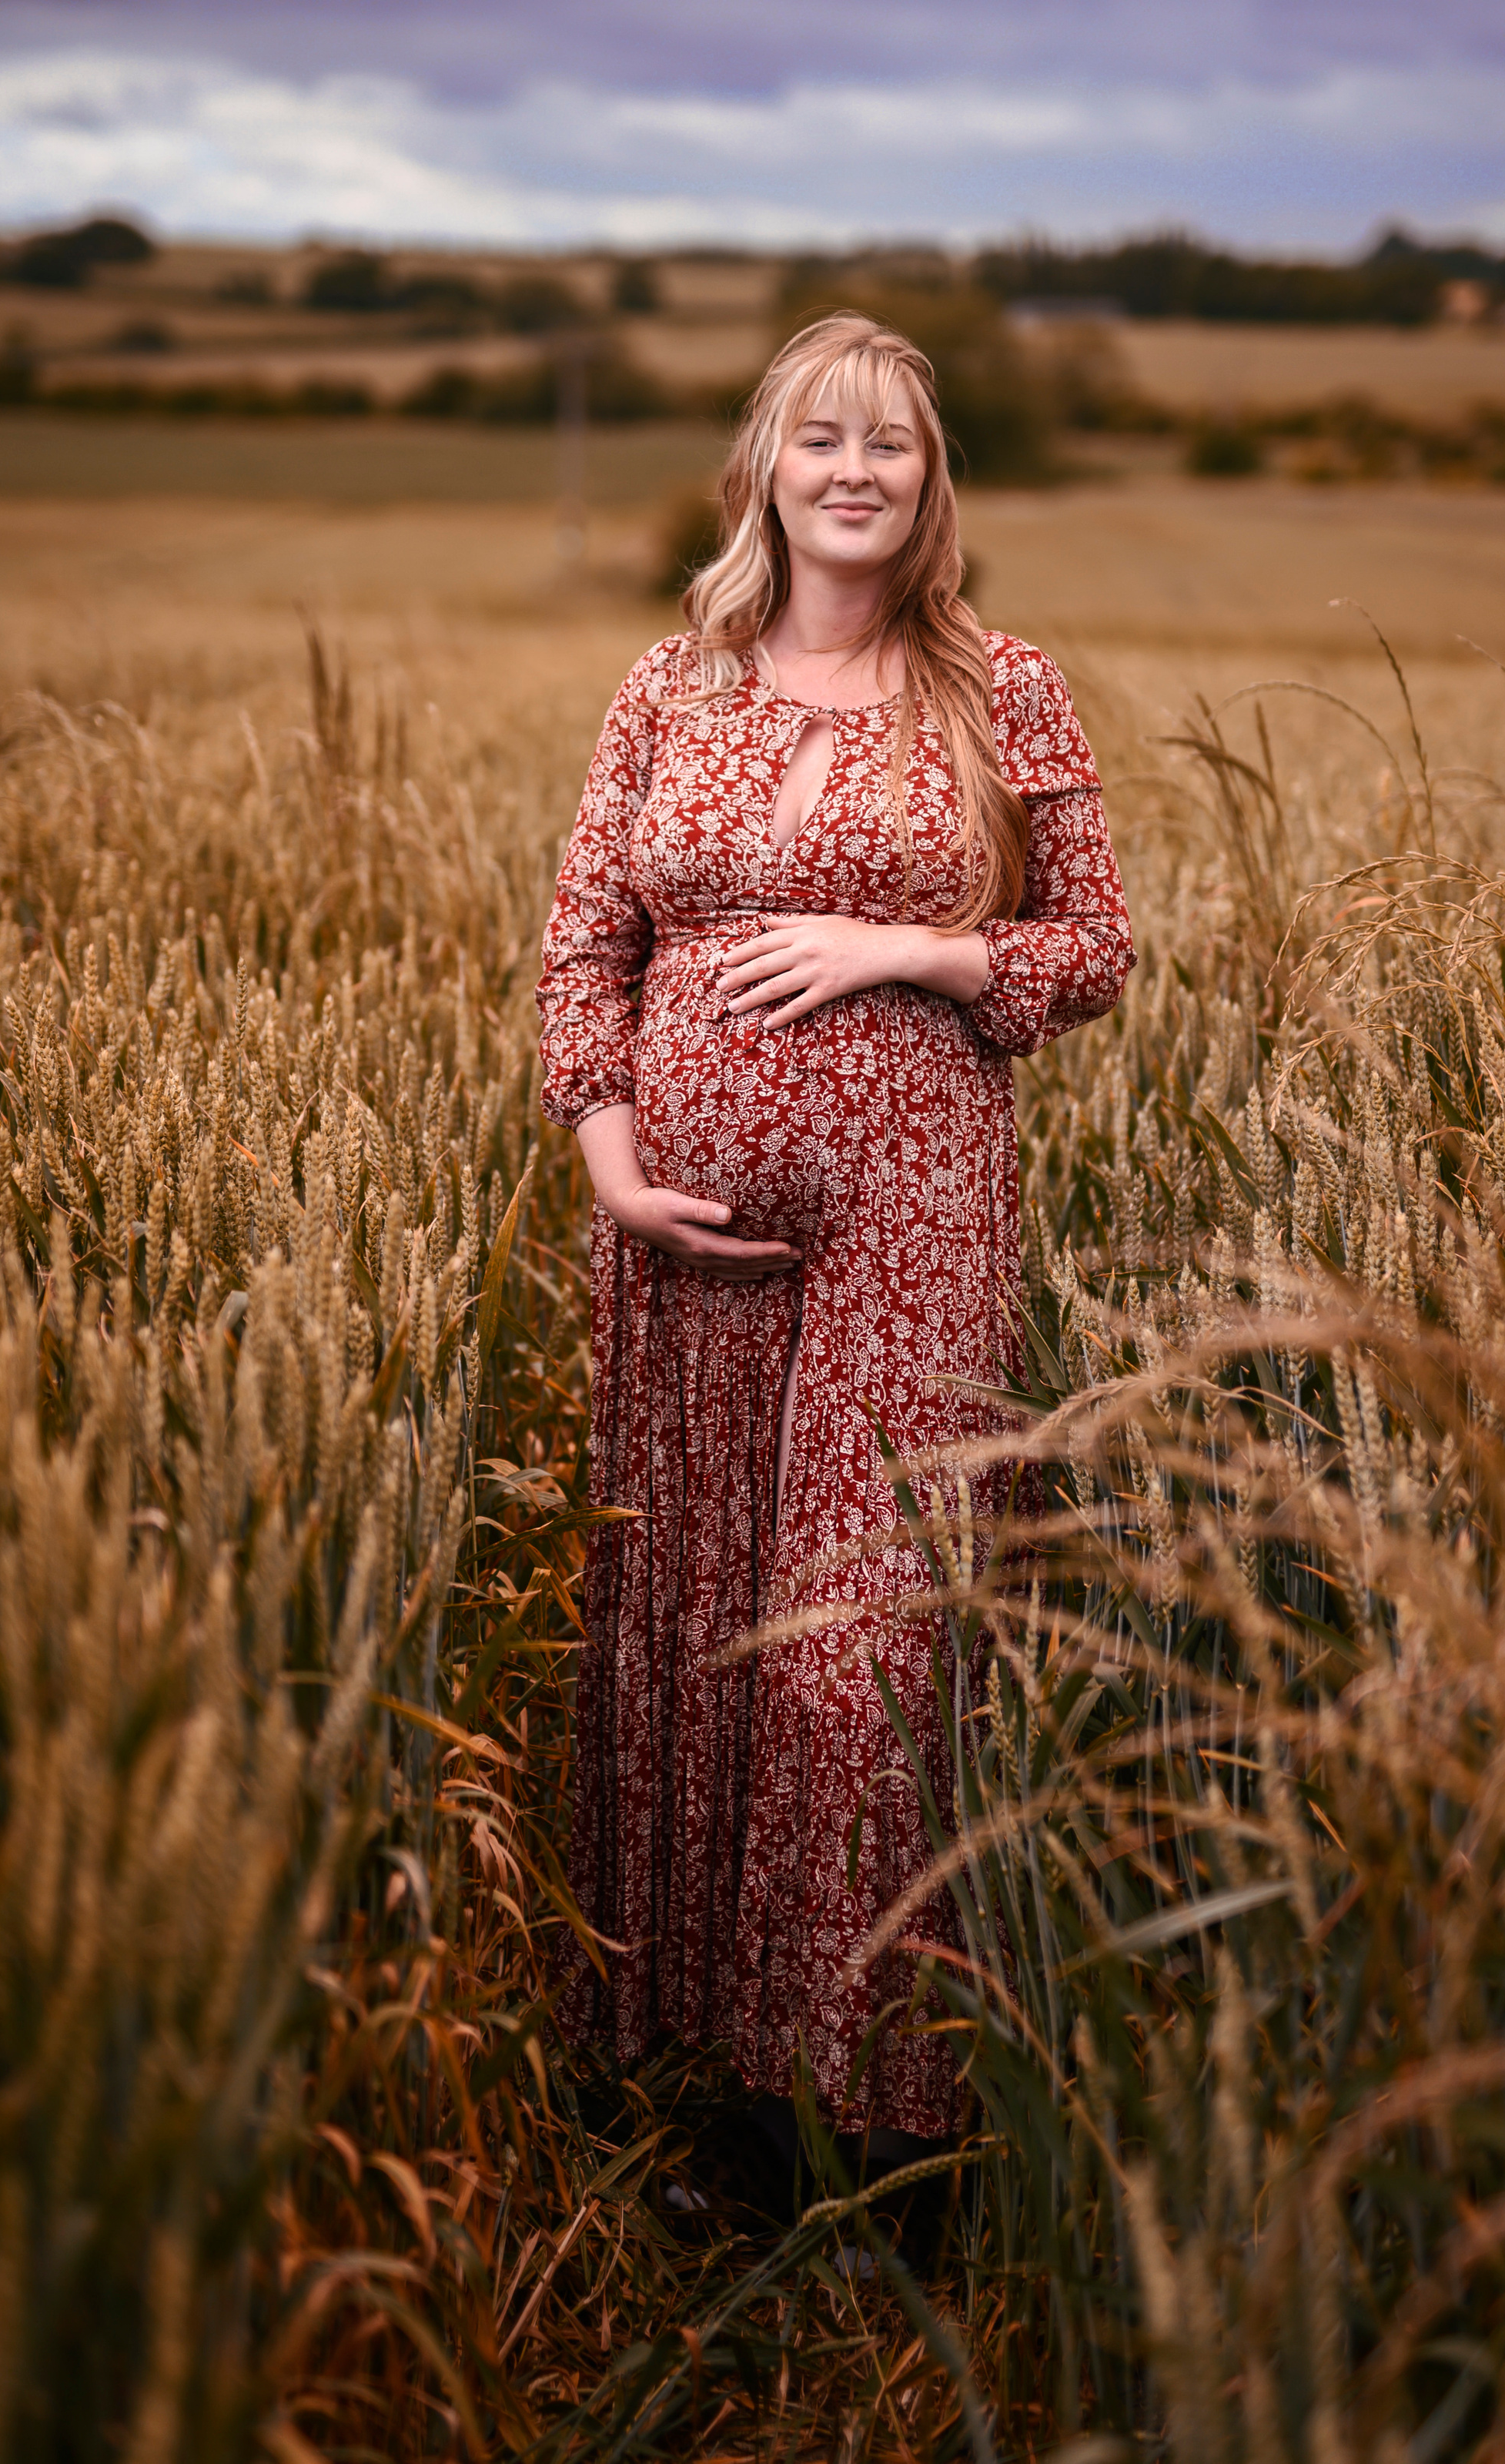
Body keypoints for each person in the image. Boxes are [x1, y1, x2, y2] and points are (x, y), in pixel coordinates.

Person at [536, 311, 1134, 2151]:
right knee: (687, 1626)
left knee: (854, 1644)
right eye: (819, 441)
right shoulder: (668, 686)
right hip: (681, 1225)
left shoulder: (1001, 687)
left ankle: (880, 2115)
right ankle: (701, 2089)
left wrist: (911, 948)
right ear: (767, 474)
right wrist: (609, 1153)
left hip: (914, 1215)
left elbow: (1096, 946)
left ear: (927, 480)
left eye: (888, 443)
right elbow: (585, 947)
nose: (853, 471)